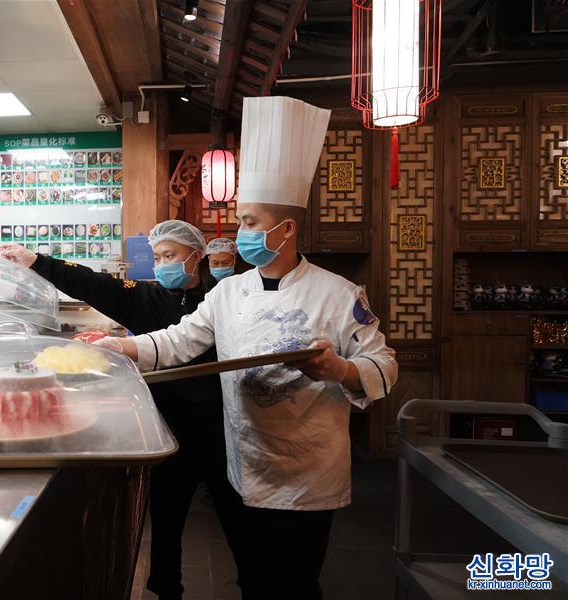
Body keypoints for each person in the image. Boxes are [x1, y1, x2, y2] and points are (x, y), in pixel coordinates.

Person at [96, 97, 398, 600]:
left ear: (287, 229)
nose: (242, 234)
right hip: (246, 465)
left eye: (253, 223)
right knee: (255, 580)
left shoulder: (340, 293)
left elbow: (384, 362)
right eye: (241, 222)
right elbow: (178, 341)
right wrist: (122, 349)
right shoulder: (227, 291)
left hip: (309, 470)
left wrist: (341, 368)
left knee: (299, 585)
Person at [0, 221, 241, 600]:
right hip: (169, 425)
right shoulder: (143, 297)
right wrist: (38, 261)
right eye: (159, 256)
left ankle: (254, 581)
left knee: (236, 511)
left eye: (171, 255)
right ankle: (165, 588)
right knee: (166, 515)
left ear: (197, 256)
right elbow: (95, 284)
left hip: (221, 426)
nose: (163, 264)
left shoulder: (223, 299)